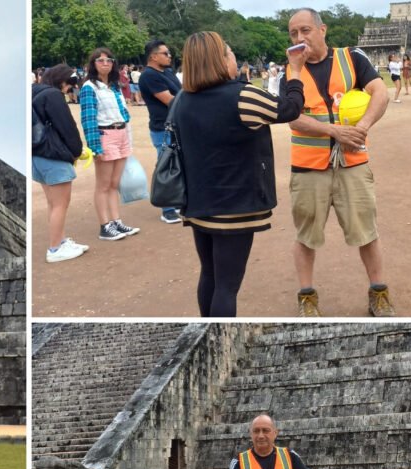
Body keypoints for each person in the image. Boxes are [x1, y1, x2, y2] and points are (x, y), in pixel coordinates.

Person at [171, 31, 306, 317]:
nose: (234, 58)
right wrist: (294, 71)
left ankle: (207, 325)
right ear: (219, 60)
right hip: (235, 203)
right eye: (229, 52)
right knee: (227, 286)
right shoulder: (242, 95)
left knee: (209, 275)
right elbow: (291, 109)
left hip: (198, 201)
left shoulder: (183, 99)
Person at [283, 8, 396, 317]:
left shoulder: (351, 59)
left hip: (353, 161)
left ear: (323, 29)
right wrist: (333, 131)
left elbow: (380, 93)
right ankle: (307, 297)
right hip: (309, 166)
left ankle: (379, 292)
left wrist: (362, 128)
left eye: (305, 30)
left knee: (367, 231)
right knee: (306, 235)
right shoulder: (290, 71)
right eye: (293, 33)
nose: (299, 38)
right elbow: (292, 117)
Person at [79, 47, 141, 241]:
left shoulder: (114, 87)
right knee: (103, 185)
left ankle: (116, 221)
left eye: (108, 60)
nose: (105, 63)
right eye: (100, 60)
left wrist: (128, 139)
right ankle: (105, 225)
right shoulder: (89, 87)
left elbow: (124, 113)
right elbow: (88, 119)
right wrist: (94, 146)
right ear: (93, 64)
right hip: (105, 134)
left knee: (115, 184)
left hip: (121, 132)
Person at [32, 64, 89, 262]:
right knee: (61, 204)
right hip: (54, 155)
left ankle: (60, 240)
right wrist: (76, 151)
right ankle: (55, 248)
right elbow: (67, 127)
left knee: (53, 204)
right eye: (69, 85)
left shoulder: (34, 92)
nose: (68, 89)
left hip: (37, 156)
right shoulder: (53, 95)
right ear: (62, 81)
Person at [139, 39, 184, 224]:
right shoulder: (149, 76)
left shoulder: (167, 72)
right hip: (162, 128)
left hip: (177, 125)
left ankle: (178, 200)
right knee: (167, 166)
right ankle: (167, 209)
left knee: (181, 164)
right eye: (165, 53)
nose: (169, 56)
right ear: (153, 56)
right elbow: (170, 100)